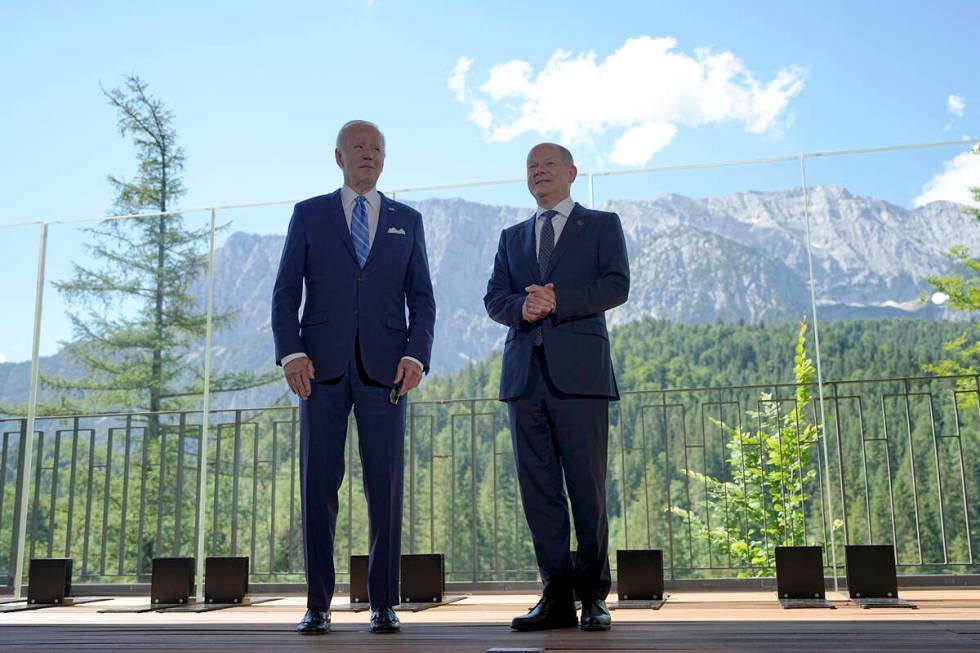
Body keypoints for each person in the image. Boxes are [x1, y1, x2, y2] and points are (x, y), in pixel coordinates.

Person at [271, 120, 436, 635]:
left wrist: (417, 356)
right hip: (317, 370)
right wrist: (291, 352)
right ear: (338, 157)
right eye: (358, 147)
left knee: (385, 487)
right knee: (318, 485)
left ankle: (383, 602)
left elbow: (423, 299)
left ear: (385, 160)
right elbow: (284, 292)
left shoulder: (408, 220)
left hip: (387, 372)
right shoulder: (309, 214)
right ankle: (317, 604)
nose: (368, 155)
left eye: (377, 149)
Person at [484, 142, 629, 631]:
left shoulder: (602, 225)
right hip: (524, 381)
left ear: (571, 172)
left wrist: (556, 300)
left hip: (581, 379)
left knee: (586, 489)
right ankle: (555, 597)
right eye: (531, 166)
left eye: (547, 164)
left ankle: (593, 596)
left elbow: (617, 286)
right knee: (538, 492)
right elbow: (493, 297)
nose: (539, 171)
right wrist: (520, 308)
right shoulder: (512, 237)